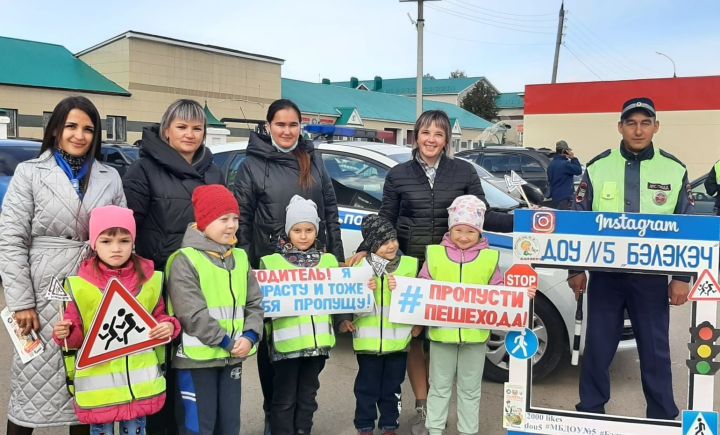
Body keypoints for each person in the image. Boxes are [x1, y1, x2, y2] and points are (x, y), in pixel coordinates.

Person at [348, 109, 513, 435]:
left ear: (446, 139)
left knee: (447, 339)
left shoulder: (463, 171)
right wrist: (365, 248)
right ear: (415, 136)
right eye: (425, 133)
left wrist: (527, 221)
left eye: (438, 134)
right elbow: (387, 217)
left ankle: (450, 411)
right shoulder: (398, 174)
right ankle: (424, 408)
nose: (431, 140)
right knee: (414, 335)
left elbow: (482, 214)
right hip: (410, 265)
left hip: (453, 266)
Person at [0, 96, 126, 435]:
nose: (80, 135)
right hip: (42, 290)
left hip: (91, 288)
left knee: (85, 385)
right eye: (72, 126)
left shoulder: (109, 176)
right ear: (56, 129)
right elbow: (10, 239)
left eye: (88, 128)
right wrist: (21, 301)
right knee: (32, 381)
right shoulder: (29, 173)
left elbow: (122, 236)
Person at [569, 97, 693, 420]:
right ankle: (591, 412)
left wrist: (682, 277)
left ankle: (663, 416)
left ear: (656, 127)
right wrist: (575, 268)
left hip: (650, 280)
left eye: (645, 123)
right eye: (631, 123)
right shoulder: (597, 167)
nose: (638, 130)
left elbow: (688, 228)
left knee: (655, 352)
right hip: (606, 276)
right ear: (620, 126)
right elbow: (578, 221)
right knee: (597, 349)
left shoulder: (675, 169)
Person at [233, 98, 344, 433]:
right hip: (270, 273)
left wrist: (337, 263)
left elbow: (330, 215)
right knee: (274, 351)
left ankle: (298, 421)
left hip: (313, 272)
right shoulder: (251, 165)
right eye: (279, 124)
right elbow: (242, 221)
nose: (286, 130)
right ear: (268, 126)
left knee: (310, 348)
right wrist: (247, 270)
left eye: (292, 124)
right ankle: (274, 415)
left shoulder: (313, 159)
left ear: (301, 126)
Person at [123, 98, 224, 434]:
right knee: (160, 365)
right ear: (166, 130)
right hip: (159, 282)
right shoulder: (142, 170)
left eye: (197, 128)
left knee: (195, 363)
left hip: (203, 281)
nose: (190, 134)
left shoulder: (213, 171)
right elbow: (130, 230)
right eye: (182, 127)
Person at [52, 205, 181, 435]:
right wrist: (67, 333)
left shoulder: (150, 280)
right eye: (106, 241)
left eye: (124, 240)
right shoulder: (81, 286)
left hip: (138, 387)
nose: (116, 248)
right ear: (94, 244)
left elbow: (159, 315)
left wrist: (168, 326)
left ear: (133, 242)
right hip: (100, 391)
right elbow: (76, 333)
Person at [418, 195, 536, 435]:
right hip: (442, 336)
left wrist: (521, 294)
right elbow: (422, 288)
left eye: (470, 231)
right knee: (439, 387)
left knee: (470, 389)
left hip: (476, 336)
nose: (463, 236)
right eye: (458, 230)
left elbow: (500, 292)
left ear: (480, 232)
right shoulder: (435, 255)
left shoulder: (489, 258)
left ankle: (468, 431)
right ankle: (434, 429)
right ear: (450, 229)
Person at [166, 184, 263, 435]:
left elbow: (254, 303)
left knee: (229, 426)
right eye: (223, 219)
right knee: (198, 427)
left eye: (235, 218)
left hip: (232, 358)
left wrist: (250, 336)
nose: (231, 225)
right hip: (197, 362)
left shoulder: (240, 258)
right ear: (203, 222)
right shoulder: (184, 259)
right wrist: (227, 341)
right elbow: (192, 314)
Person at [259, 195, 339, 435]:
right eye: (297, 230)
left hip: (317, 347)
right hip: (285, 348)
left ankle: (303, 430)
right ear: (288, 231)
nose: (303, 235)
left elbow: (342, 293)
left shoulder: (329, 261)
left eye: (308, 229)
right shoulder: (271, 262)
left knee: (308, 396)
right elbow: (259, 302)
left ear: (316, 231)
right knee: (284, 397)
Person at [337, 215, 419, 435]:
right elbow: (345, 295)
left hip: (398, 343)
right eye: (384, 242)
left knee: (393, 388)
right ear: (372, 245)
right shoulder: (359, 267)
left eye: (393, 239)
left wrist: (417, 323)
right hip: (367, 343)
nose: (391, 245)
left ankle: (389, 424)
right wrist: (345, 319)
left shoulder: (409, 265)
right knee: (366, 387)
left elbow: (420, 297)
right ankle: (364, 424)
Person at [546, 140, 582, 209]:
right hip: (565, 198)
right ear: (564, 151)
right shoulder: (565, 164)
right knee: (565, 218)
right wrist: (573, 158)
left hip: (555, 196)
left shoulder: (551, 164)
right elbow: (578, 171)